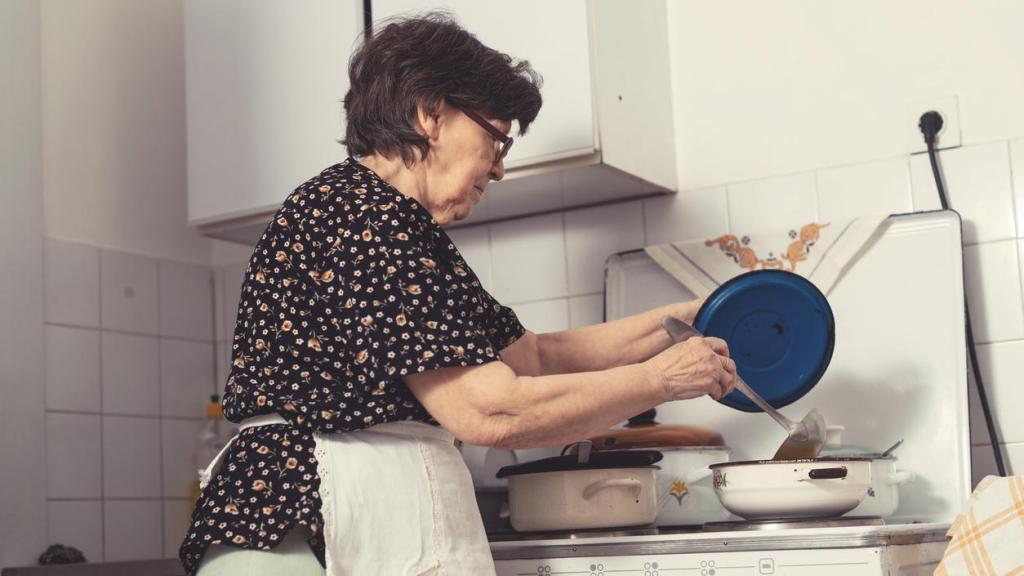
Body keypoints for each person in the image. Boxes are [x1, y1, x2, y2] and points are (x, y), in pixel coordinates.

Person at [180, 12, 737, 576]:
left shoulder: (407, 234)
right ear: (431, 114)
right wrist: (662, 379)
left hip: (335, 515)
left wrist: (691, 318)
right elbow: (488, 409)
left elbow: (535, 359)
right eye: (495, 140)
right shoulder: (358, 216)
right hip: (297, 527)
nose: (498, 169)